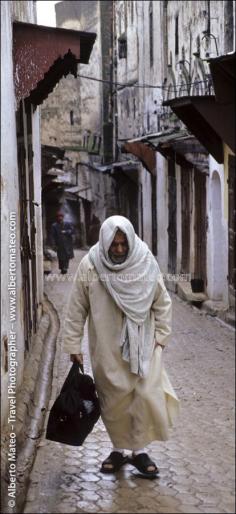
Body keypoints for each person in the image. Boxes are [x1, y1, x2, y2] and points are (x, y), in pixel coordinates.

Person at [63, 215, 179, 477]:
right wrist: (73, 344)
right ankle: (119, 449)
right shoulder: (91, 265)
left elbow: (162, 302)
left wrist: (161, 337)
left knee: (145, 397)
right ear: (105, 243)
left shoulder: (145, 261)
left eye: (122, 244)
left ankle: (139, 452)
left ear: (130, 242)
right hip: (105, 347)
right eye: (113, 245)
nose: (118, 249)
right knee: (113, 401)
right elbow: (76, 307)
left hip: (143, 346)